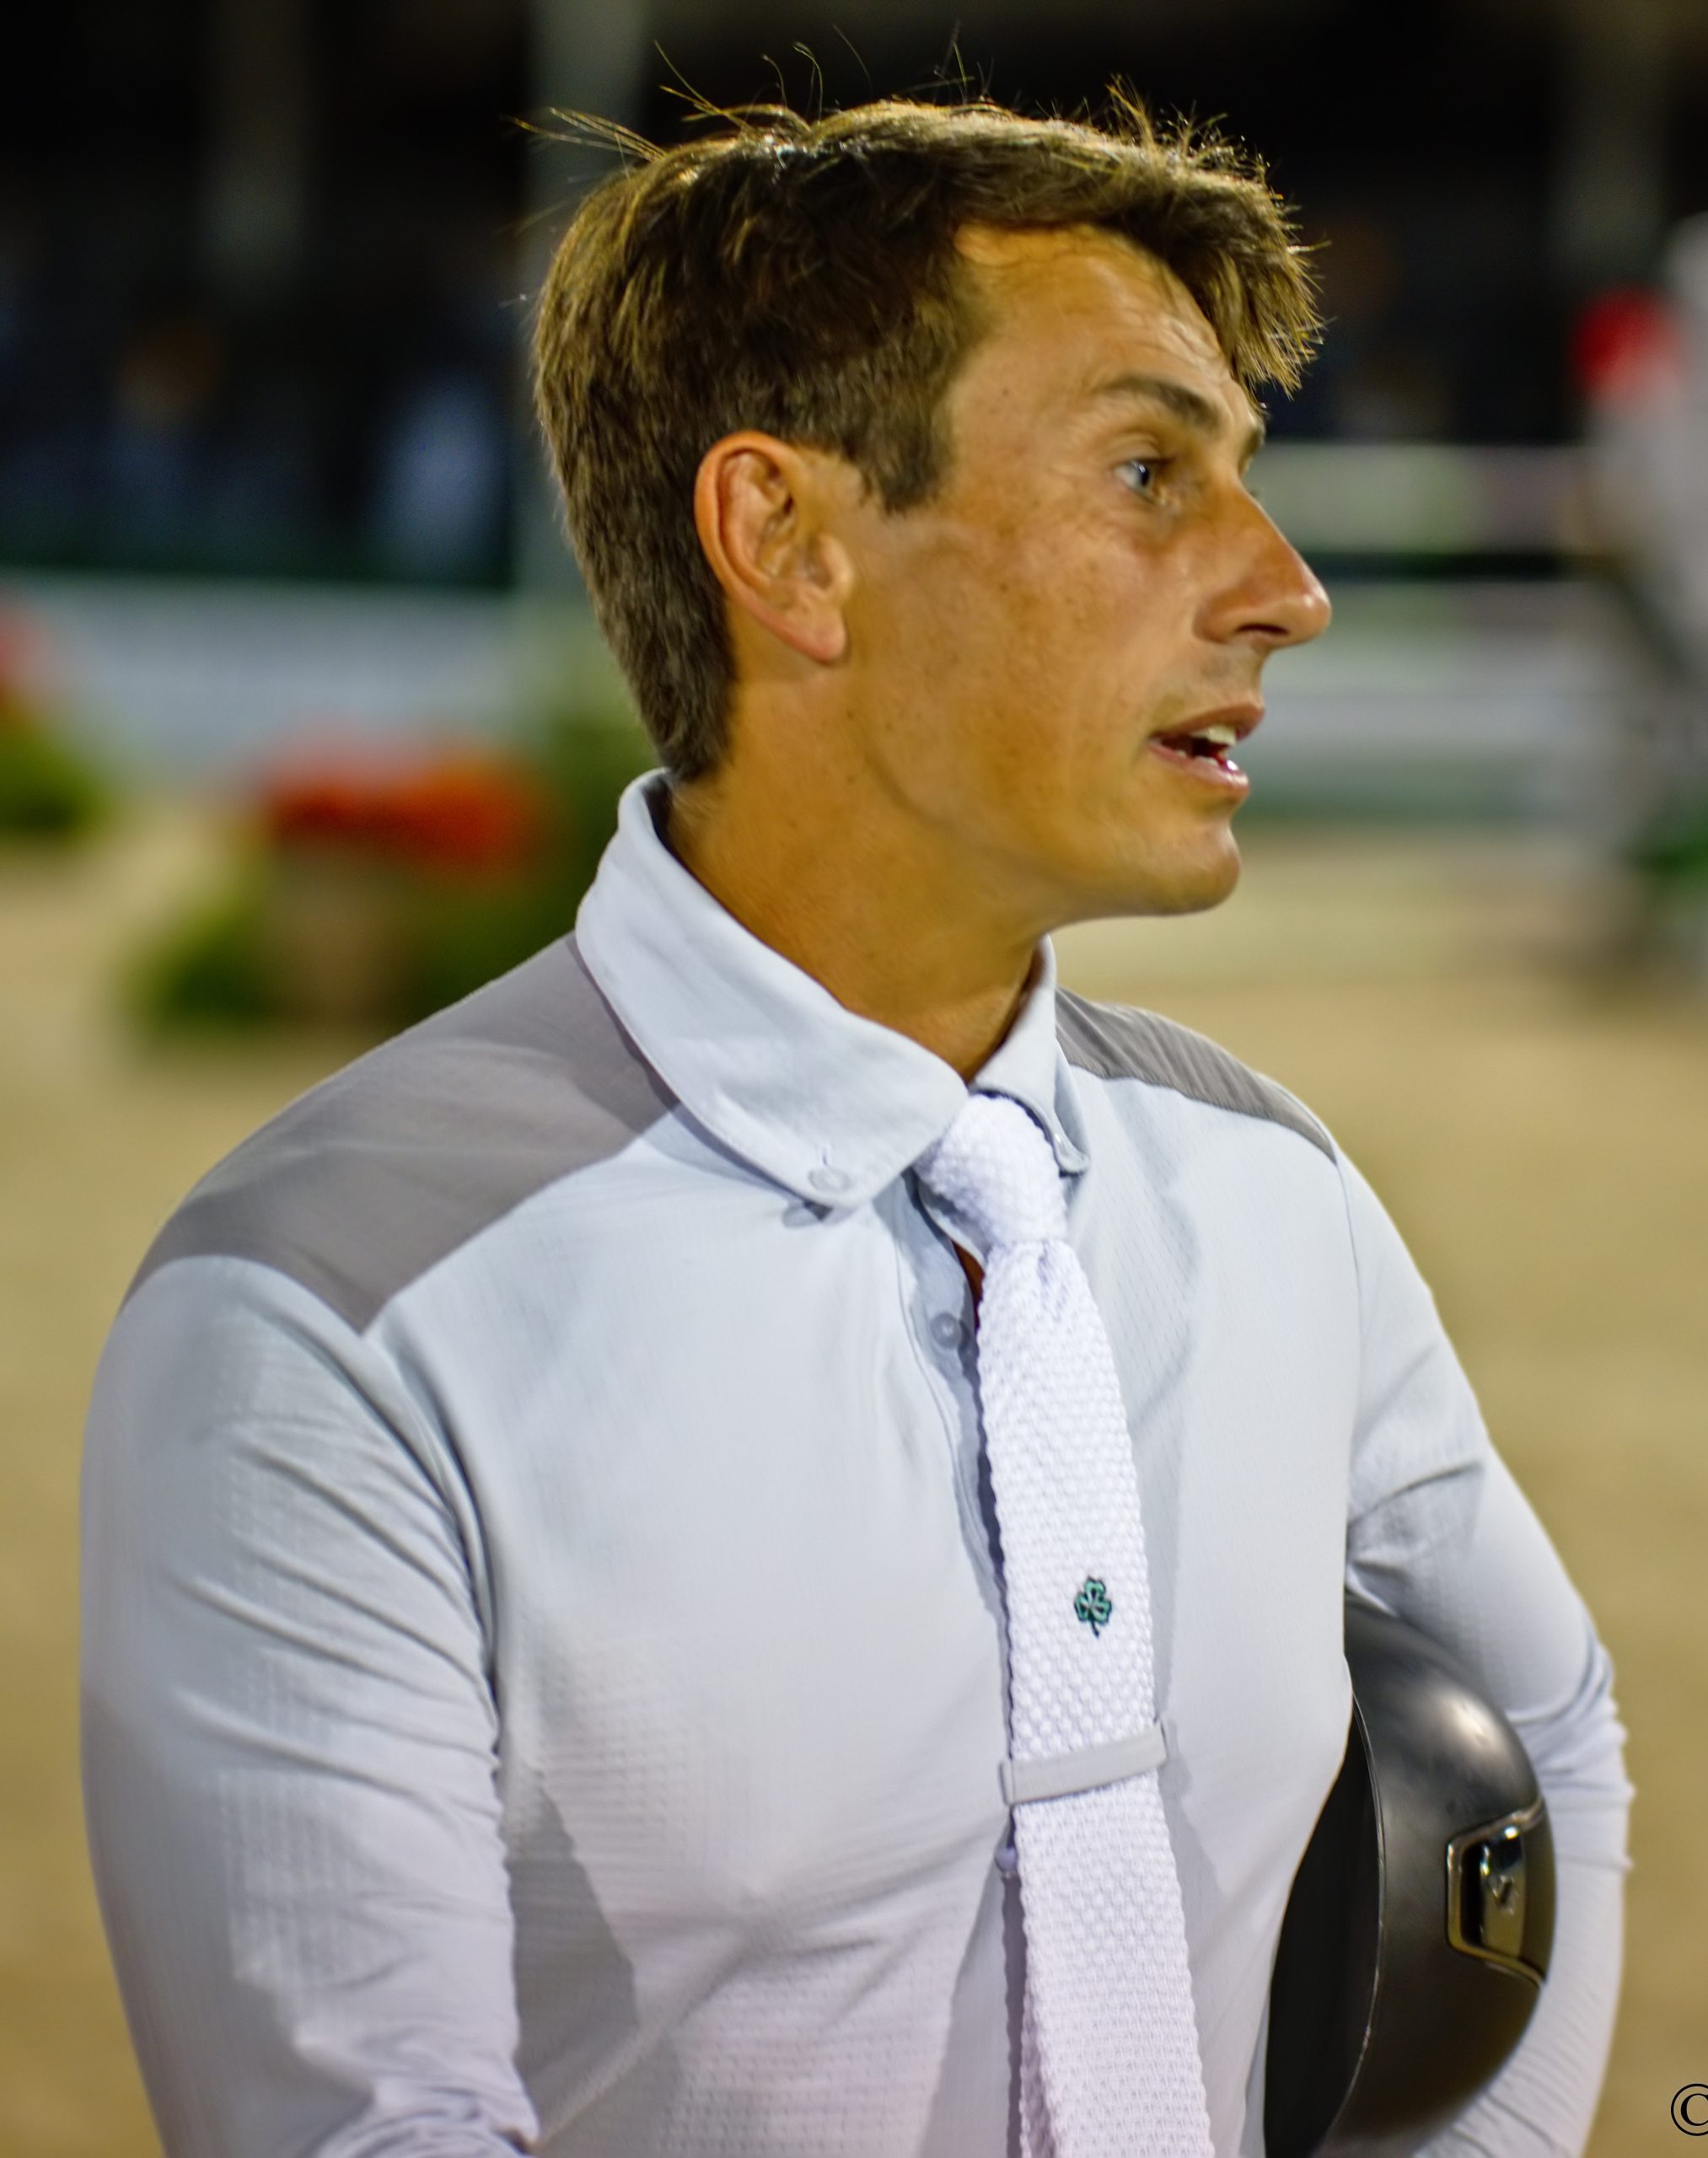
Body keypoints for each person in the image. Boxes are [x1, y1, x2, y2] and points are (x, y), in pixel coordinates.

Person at [81, 98, 1630, 2156]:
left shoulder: (1275, 1193)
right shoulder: (327, 1316)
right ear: (789, 543)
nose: (1283, 590)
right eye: (1149, 471)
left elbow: (1546, 1739)